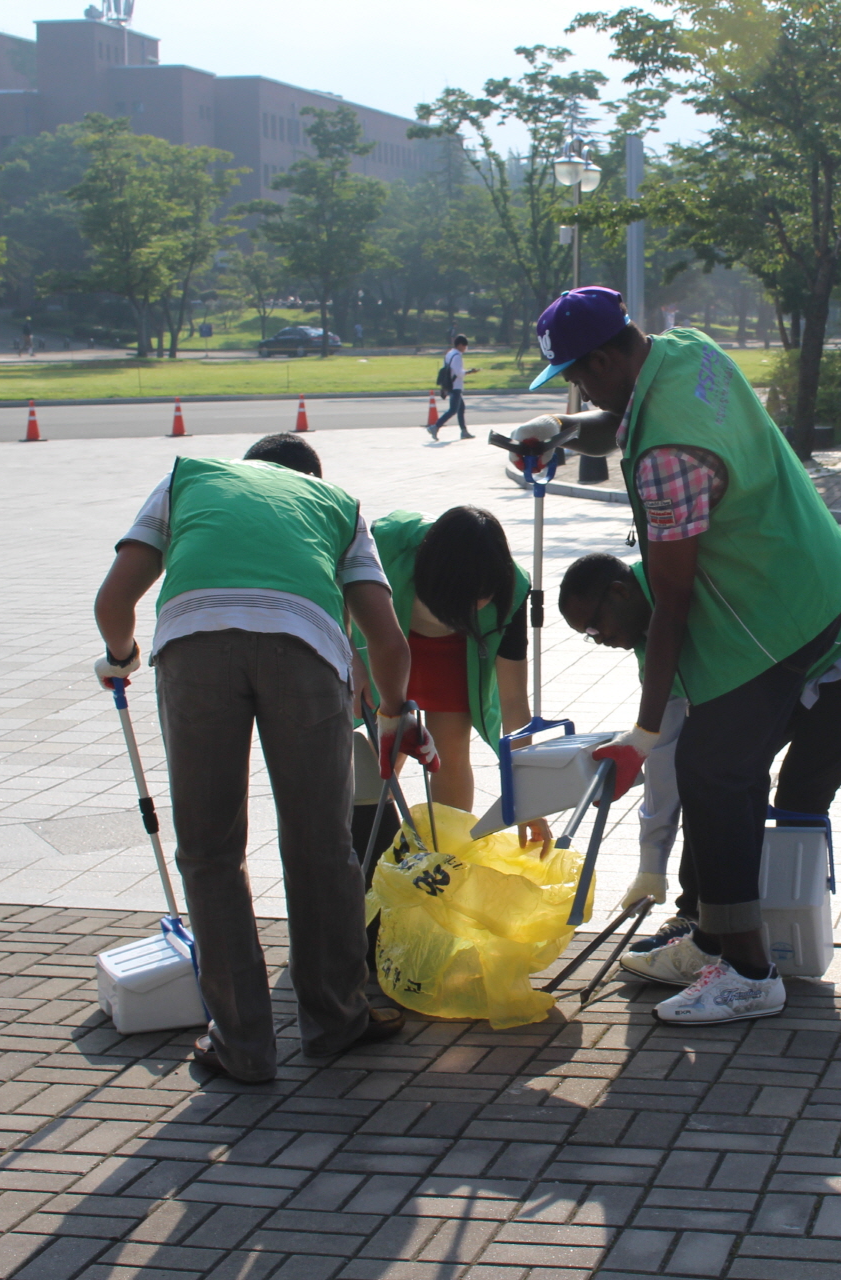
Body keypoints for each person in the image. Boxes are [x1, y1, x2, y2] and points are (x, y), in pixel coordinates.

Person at [505, 285, 841, 1026]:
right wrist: (567, 430)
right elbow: (623, 422)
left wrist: (642, 733)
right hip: (811, 573)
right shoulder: (685, 353)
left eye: (577, 375)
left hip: (777, 612)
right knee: (715, 768)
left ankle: (746, 970)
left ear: (604, 358)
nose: (578, 386)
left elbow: (669, 601)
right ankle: (712, 940)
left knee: (711, 769)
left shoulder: (668, 456)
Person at [92, 431, 437, 1084]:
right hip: (304, 647)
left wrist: (120, 658)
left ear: (247, 471)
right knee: (320, 843)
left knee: (210, 850)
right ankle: (337, 1019)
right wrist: (395, 714)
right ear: (310, 475)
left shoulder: (187, 480)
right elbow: (387, 640)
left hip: (194, 646)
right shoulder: (337, 504)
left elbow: (114, 603)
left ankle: (242, 1045)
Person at [555, 553, 841, 973]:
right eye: (586, 637)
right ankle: (701, 918)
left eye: (594, 627)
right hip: (784, 657)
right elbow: (667, 755)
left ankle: (774, 934)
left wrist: (654, 861)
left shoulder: (682, 589)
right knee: (711, 772)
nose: (598, 640)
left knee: (794, 792)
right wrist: (652, 866)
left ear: (619, 592)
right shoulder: (652, 635)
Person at [355, 504, 546, 842]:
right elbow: (335, 599)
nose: (472, 607)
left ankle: (449, 854)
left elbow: (514, 701)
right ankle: (368, 848)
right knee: (380, 753)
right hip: (390, 641)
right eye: (459, 600)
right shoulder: (386, 545)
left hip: (455, 656)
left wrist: (528, 797)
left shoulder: (512, 588)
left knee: (451, 753)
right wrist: (353, 660)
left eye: (482, 599)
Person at [432, 335, 474, 440]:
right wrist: (469, 371)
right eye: (464, 346)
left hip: (450, 384)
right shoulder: (457, 356)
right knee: (453, 410)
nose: (465, 348)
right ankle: (435, 426)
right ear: (460, 345)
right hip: (455, 386)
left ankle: (464, 431)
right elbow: (459, 373)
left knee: (461, 408)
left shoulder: (449, 353)